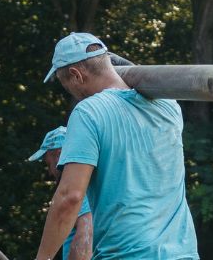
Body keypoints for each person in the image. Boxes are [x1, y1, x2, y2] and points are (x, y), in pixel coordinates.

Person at [34, 33, 199, 260]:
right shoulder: (168, 105)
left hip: (128, 254)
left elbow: (70, 197)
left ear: (75, 75)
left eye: (65, 83)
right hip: (183, 253)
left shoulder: (89, 112)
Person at [29, 126, 93, 260]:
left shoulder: (75, 187)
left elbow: (86, 231)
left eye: (48, 164)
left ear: (58, 155)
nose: (49, 171)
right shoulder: (90, 183)